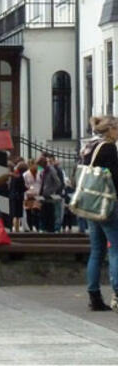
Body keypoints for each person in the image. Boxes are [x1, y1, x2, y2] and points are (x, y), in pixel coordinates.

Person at [80, 115, 118, 311]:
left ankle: (94, 296)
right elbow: (114, 177)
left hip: (90, 204)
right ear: (110, 129)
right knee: (115, 249)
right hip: (107, 204)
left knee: (96, 251)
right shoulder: (108, 148)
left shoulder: (89, 146)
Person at [36, 155, 62, 233]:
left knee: (50, 212)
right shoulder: (43, 170)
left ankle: (51, 228)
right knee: (43, 212)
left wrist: (51, 191)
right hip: (43, 195)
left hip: (49, 195)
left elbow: (58, 183)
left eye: (40, 165)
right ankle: (44, 228)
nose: (39, 166)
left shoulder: (51, 170)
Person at [47, 154, 68, 232]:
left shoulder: (57, 170)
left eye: (50, 161)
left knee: (57, 211)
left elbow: (60, 182)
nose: (49, 163)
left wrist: (58, 191)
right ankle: (53, 227)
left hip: (57, 193)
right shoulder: (48, 169)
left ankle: (57, 227)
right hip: (51, 193)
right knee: (54, 211)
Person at [23, 159, 42, 232]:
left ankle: (37, 226)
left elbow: (41, 182)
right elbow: (24, 184)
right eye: (33, 165)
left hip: (37, 194)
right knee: (28, 211)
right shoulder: (25, 174)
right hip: (29, 195)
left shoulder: (39, 173)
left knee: (36, 210)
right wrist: (28, 189)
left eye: (36, 165)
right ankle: (30, 226)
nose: (35, 166)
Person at [9, 161, 28, 233]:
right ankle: (16, 230)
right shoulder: (20, 176)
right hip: (18, 197)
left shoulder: (14, 175)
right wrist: (27, 188)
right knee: (17, 215)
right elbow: (22, 188)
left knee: (14, 214)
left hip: (13, 196)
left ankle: (13, 228)